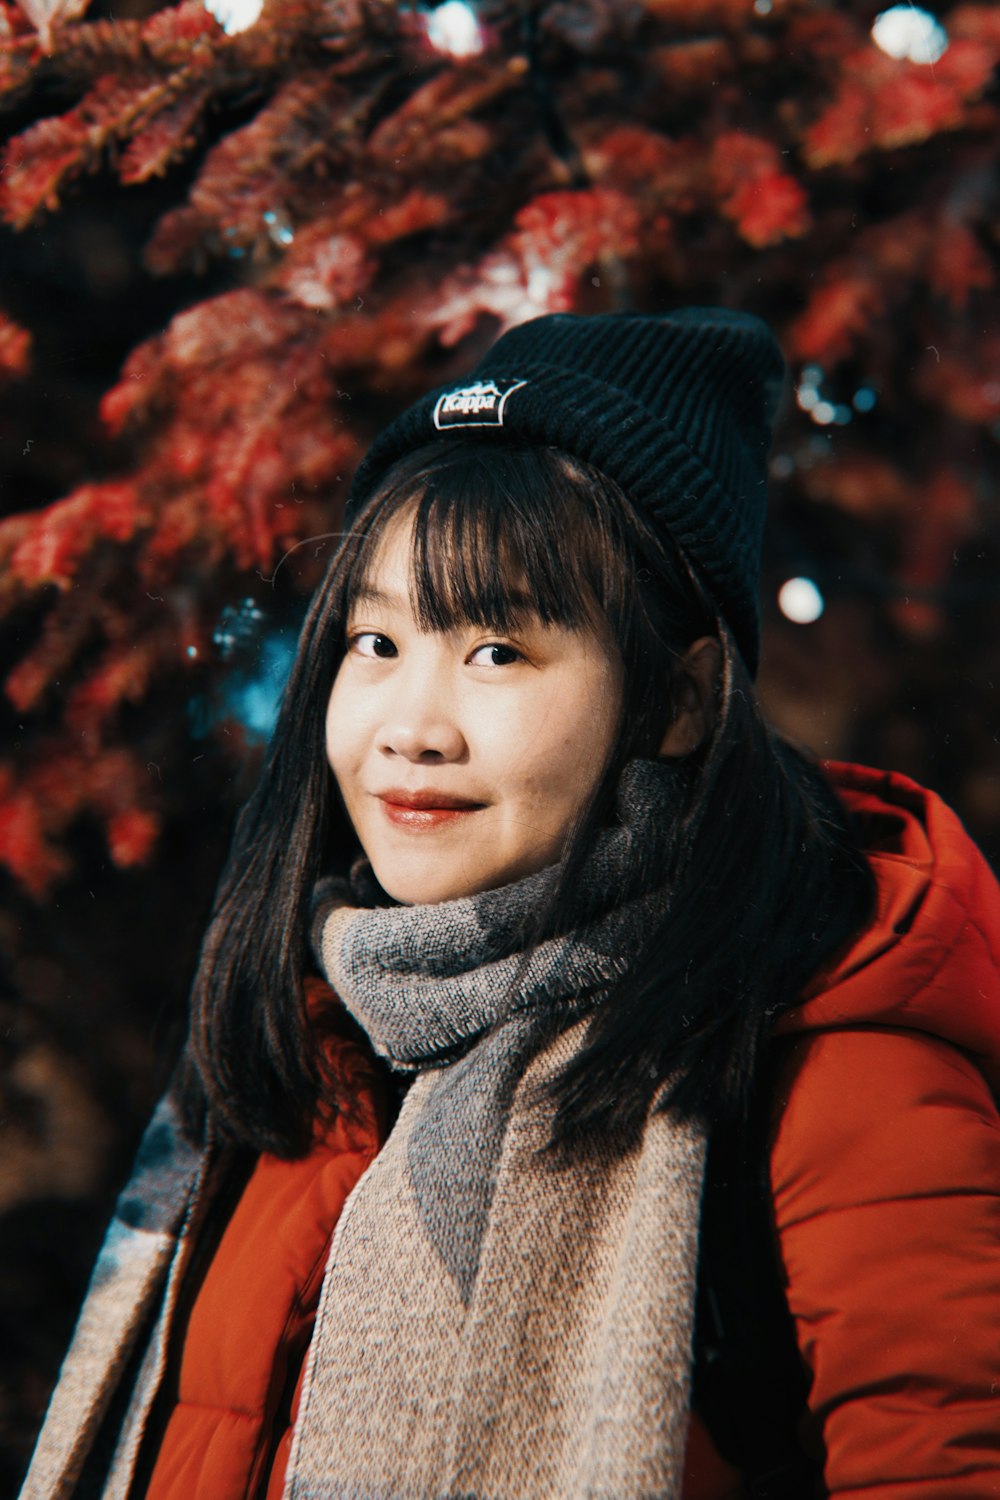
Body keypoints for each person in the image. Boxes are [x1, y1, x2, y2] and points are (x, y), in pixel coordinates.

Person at [19, 309, 1000, 1500]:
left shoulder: (821, 1060)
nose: (410, 727)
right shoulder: (314, 1032)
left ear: (679, 701)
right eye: (375, 641)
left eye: (496, 650)